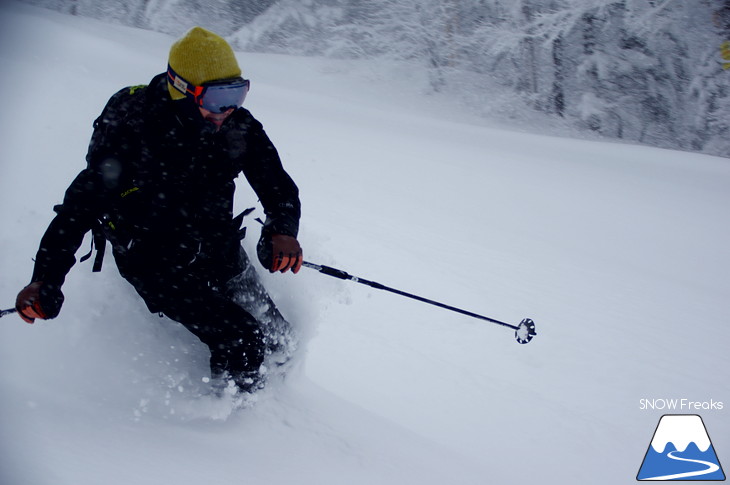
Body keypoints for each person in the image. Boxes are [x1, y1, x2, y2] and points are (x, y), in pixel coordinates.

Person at [14, 26, 303, 394]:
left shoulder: (236, 125)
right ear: (181, 87)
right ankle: (232, 431)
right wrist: (46, 279)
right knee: (242, 340)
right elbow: (77, 211)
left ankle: (282, 412)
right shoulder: (133, 128)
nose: (227, 109)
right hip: (154, 261)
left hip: (218, 248)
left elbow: (276, 183)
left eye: (237, 93)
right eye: (217, 97)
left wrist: (282, 229)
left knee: (281, 342)